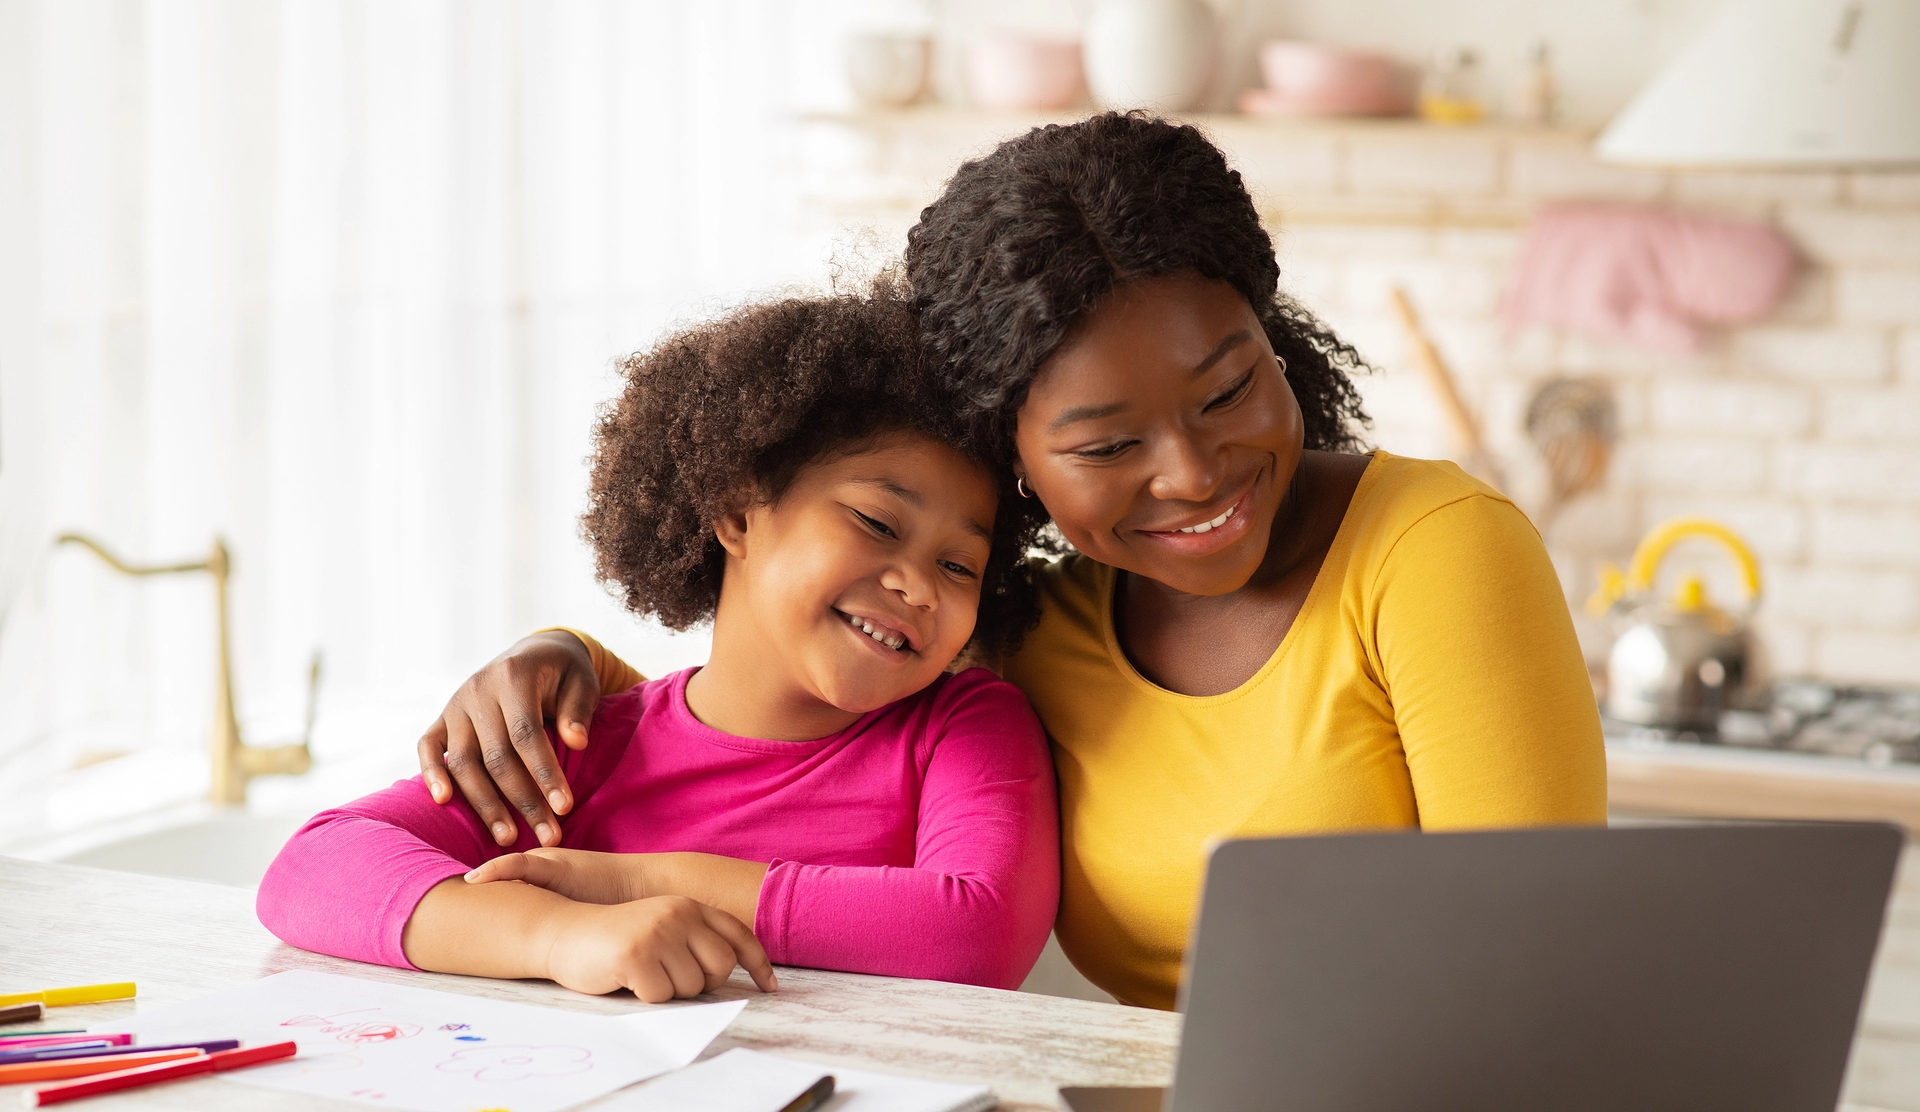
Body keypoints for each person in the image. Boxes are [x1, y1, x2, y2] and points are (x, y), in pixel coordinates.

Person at [418, 114, 1606, 1010]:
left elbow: (1539, 963)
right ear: (1016, 461)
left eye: (1232, 387)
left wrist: (638, 884)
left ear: (1273, 336)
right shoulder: (1033, 619)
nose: (1194, 473)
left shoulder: (1434, 550)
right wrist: (563, 654)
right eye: (1108, 444)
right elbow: (771, 699)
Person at [257, 291, 1060, 1002]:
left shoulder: (963, 727)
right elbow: (310, 872)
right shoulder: (580, 745)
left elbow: (974, 933)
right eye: (877, 523)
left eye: (960, 565)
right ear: (740, 511)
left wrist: (636, 879)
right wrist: (563, 937)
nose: (920, 586)